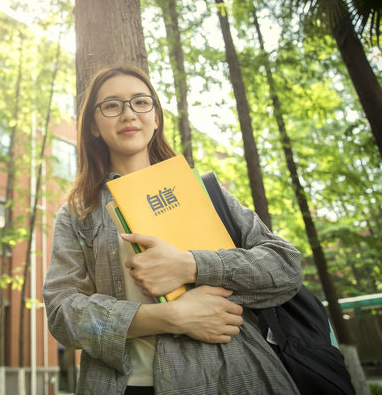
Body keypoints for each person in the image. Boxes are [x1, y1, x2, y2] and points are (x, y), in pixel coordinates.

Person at [42, 65, 303, 395]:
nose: (128, 114)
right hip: (121, 385)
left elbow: (285, 267)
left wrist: (190, 265)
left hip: (234, 376)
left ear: (155, 116)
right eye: (112, 105)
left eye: (140, 102)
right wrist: (170, 316)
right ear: (94, 126)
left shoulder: (204, 191)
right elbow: (62, 313)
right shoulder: (79, 212)